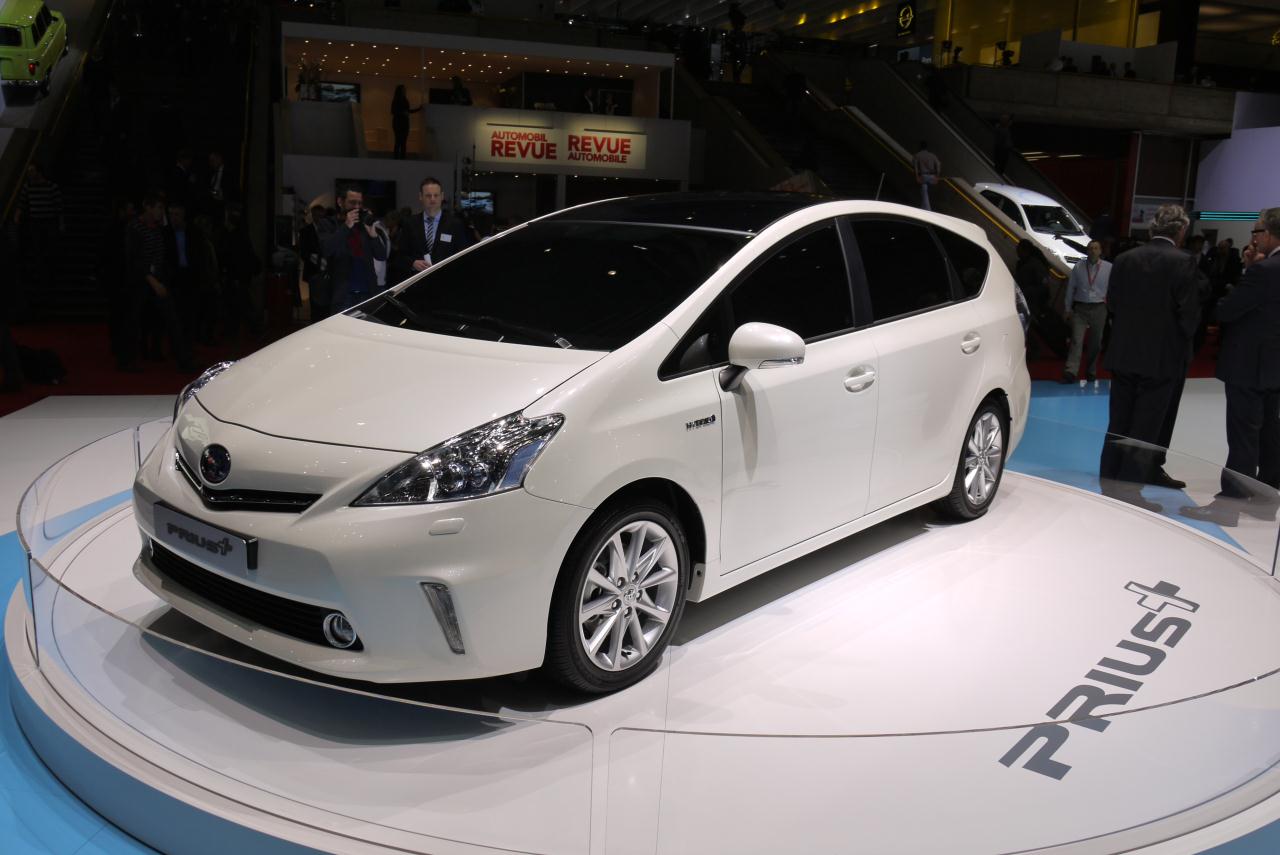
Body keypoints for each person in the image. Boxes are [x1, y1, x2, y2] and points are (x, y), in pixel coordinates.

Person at [1098, 205, 1200, 507]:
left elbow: (1113, 303)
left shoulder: (1125, 259)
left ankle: (1109, 479)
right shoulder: (1184, 262)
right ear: (1181, 230)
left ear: (1153, 227)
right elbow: (1189, 316)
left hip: (1124, 353)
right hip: (1161, 359)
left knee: (1119, 420)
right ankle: (1130, 490)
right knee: (1146, 427)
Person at [1183, 208, 1280, 525]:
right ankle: (1265, 501)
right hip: (1273, 366)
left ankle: (1229, 505)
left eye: (1256, 232)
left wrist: (1247, 272)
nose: (1254, 239)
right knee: (1269, 434)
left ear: (1268, 234)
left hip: (1249, 365)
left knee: (1243, 437)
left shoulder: (1263, 270)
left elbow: (1226, 311)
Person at [127, 194, 195, 372]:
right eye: (158, 208)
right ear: (148, 207)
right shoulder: (135, 228)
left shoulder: (158, 229)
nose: (161, 212)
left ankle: (184, 361)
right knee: (134, 320)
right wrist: (153, 281)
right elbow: (135, 260)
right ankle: (129, 360)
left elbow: (160, 256)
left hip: (157, 277)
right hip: (141, 281)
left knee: (172, 319)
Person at [324, 185, 387, 313]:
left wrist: (373, 234)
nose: (357, 207)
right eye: (352, 203)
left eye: (360, 203)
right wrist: (346, 226)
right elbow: (327, 249)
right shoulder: (329, 224)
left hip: (368, 292)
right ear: (340, 202)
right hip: (343, 294)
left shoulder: (364, 225)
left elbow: (381, 255)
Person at [398, 177, 473, 274]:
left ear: (442, 196)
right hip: (418, 280)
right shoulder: (410, 223)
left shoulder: (454, 224)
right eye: (428, 195)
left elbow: (463, 256)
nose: (432, 199)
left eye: (436, 195)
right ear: (421, 196)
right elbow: (400, 256)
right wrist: (412, 263)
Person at [1061, 240, 1111, 385]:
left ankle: (1091, 371)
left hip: (1099, 307)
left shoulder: (1109, 267)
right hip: (1080, 308)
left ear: (1100, 251)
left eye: (1096, 248)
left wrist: (1112, 307)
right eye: (1090, 248)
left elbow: (1114, 288)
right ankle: (1071, 371)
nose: (1093, 251)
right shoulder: (1078, 266)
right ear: (1087, 251)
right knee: (1076, 340)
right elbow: (1071, 288)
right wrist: (1067, 308)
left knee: (1096, 342)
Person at [391, 84, 422, 160]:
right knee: (398, 141)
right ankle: (397, 158)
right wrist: (403, 113)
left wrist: (418, 109)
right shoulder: (396, 100)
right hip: (398, 123)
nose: (404, 91)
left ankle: (402, 158)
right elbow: (393, 111)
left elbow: (408, 111)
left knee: (403, 141)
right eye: (403, 90)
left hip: (404, 123)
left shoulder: (405, 100)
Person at [913, 141, 941, 211]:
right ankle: (924, 207)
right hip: (932, 177)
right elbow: (938, 164)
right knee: (924, 190)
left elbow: (916, 167)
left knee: (924, 190)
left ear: (920, 147)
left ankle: (927, 209)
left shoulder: (918, 155)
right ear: (926, 147)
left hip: (924, 176)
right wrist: (937, 176)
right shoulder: (932, 155)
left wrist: (917, 176)